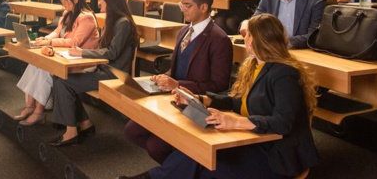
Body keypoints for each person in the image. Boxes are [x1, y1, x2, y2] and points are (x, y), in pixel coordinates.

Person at [120, 14, 319, 179]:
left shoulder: (285, 74)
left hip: (275, 154)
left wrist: (236, 122)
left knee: (202, 165)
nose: (244, 38)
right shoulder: (254, 66)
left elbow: (283, 123)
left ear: (259, 39)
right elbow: (237, 100)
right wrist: (201, 99)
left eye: (247, 34)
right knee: (196, 156)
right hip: (253, 140)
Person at [124, 0, 233, 164]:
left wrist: (178, 85)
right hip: (172, 96)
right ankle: (176, 166)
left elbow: (219, 86)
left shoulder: (219, 39)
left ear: (204, 7)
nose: (182, 9)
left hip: (195, 104)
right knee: (131, 131)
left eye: (187, 5)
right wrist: (164, 77)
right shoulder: (184, 30)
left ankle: (178, 168)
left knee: (155, 146)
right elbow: (177, 67)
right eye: (181, 4)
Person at [49, 0, 139, 147]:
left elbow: (112, 53)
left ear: (111, 2)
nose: (100, 3)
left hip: (114, 73)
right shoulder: (113, 21)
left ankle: (71, 133)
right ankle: (85, 123)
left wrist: (83, 53)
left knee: (64, 83)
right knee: (62, 77)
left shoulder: (123, 23)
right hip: (103, 69)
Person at [14, 0, 100, 126]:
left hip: (83, 61)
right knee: (35, 62)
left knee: (46, 67)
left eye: (66, 0)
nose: (63, 3)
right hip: (65, 55)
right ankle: (30, 106)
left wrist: (50, 42)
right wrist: (43, 39)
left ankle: (39, 112)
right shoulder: (67, 13)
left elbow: (75, 41)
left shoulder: (87, 17)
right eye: (62, 0)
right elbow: (57, 32)